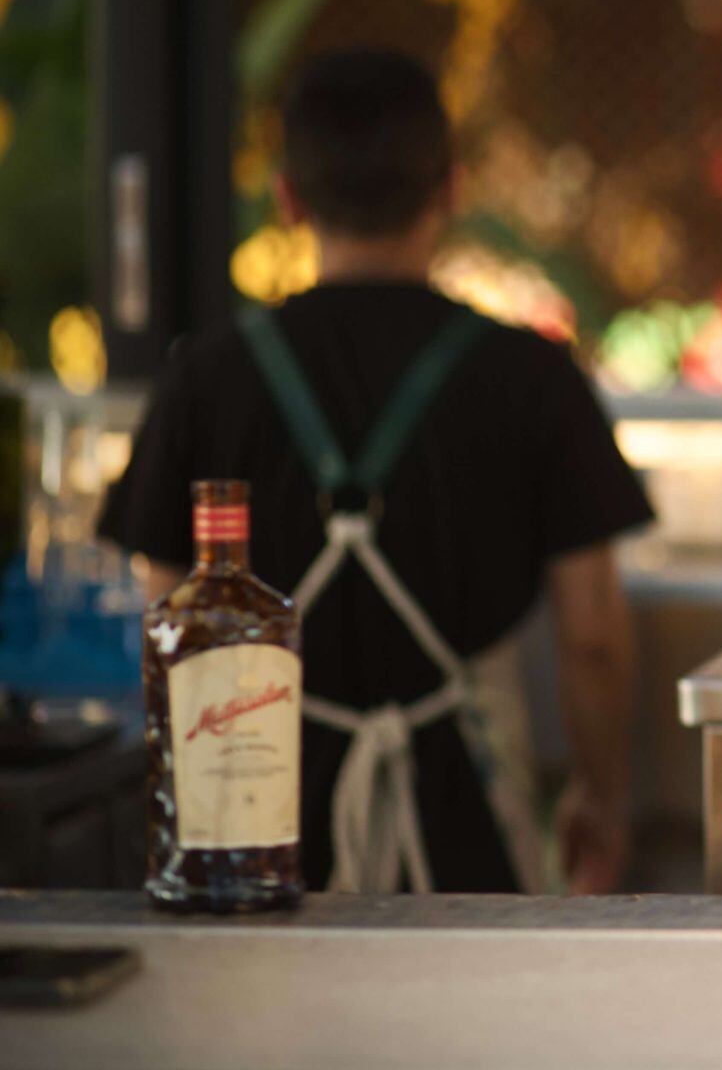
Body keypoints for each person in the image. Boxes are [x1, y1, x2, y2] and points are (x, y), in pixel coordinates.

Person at [103, 49, 652, 894]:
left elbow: (169, 628)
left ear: (288, 198)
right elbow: (595, 637)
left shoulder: (205, 378)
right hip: (472, 828)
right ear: (453, 190)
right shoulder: (529, 375)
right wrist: (603, 799)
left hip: (258, 828)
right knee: (472, 1022)